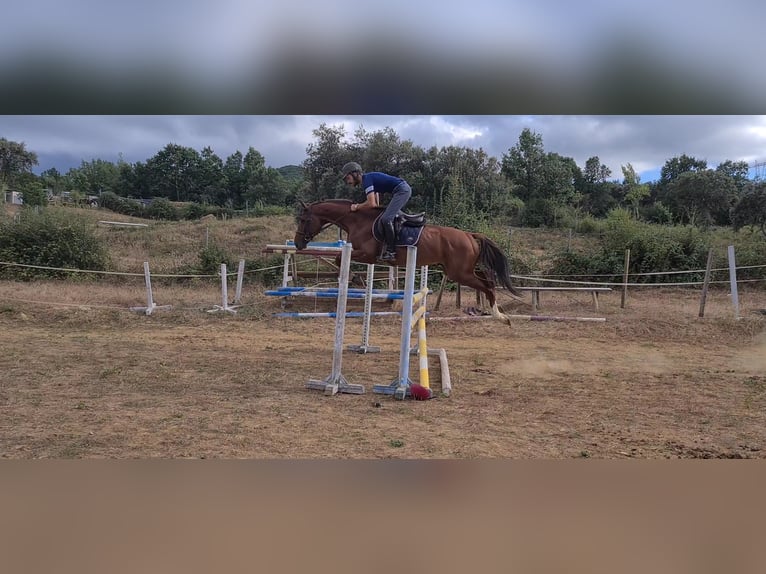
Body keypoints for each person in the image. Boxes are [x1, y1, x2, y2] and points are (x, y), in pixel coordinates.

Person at [341, 161, 412, 261]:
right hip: (399, 190)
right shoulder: (367, 179)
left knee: (386, 219)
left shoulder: (366, 180)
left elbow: (371, 204)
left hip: (402, 190)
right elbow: (375, 199)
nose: (348, 182)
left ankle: (391, 251)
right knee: (383, 216)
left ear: (355, 174)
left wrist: (357, 207)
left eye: (348, 178)